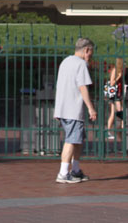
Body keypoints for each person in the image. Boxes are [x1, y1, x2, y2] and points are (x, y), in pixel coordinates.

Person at [53, 37, 96, 184]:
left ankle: (75, 170)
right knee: (71, 140)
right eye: (91, 52)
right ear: (86, 50)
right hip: (73, 109)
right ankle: (63, 173)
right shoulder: (80, 64)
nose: (91, 56)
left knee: (77, 140)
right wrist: (91, 108)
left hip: (64, 108)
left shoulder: (65, 62)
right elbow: (82, 87)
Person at [104, 57, 124, 140]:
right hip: (114, 94)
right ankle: (118, 129)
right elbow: (111, 83)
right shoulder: (115, 70)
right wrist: (118, 77)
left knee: (114, 113)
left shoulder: (120, 71)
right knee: (119, 112)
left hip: (118, 94)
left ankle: (114, 129)